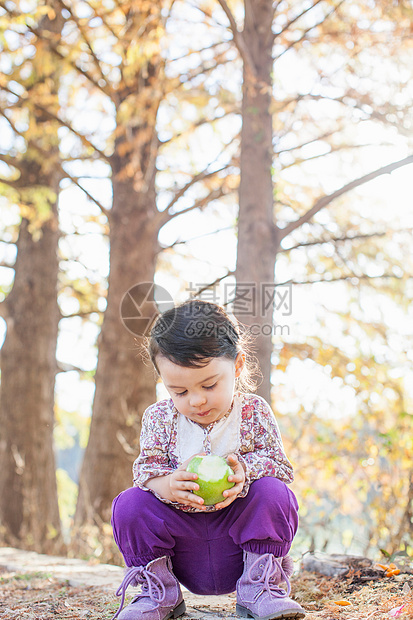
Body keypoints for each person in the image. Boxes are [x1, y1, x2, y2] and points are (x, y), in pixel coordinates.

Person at [111, 299, 305, 620]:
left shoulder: (253, 412)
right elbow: (146, 471)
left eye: (209, 384)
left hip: (240, 546)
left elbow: (279, 466)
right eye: (179, 391)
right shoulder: (159, 417)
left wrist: (245, 472)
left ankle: (261, 588)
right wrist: (167, 484)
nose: (197, 400)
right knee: (129, 504)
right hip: (182, 546)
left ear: (237, 365)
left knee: (275, 493)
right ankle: (158, 593)